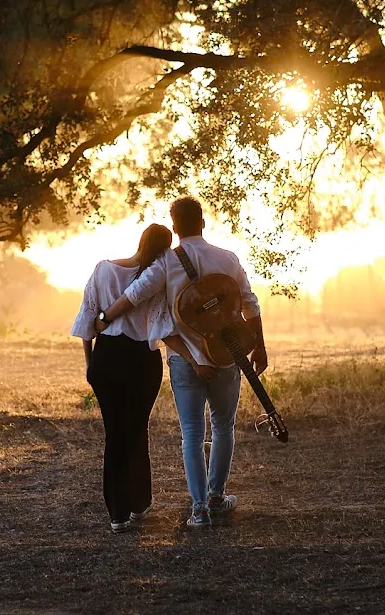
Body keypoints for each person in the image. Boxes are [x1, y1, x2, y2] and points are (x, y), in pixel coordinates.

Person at [96, 197, 268, 528]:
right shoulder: (227, 258)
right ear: (202, 222)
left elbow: (135, 294)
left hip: (185, 361)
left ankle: (199, 509)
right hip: (226, 355)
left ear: (175, 227)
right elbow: (250, 303)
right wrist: (259, 347)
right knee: (223, 427)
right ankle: (217, 497)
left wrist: (104, 317)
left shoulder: (167, 262)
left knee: (191, 432)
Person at [71, 223, 176, 533]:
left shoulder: (102, 269)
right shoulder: (158, 275)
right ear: (165, 250)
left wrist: (91, 365)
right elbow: (166, 320)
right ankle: (140, 504)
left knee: (114, 434)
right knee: (136, 429)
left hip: (106, 357)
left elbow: (87, 319)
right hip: (142, 359)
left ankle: (118, 513)